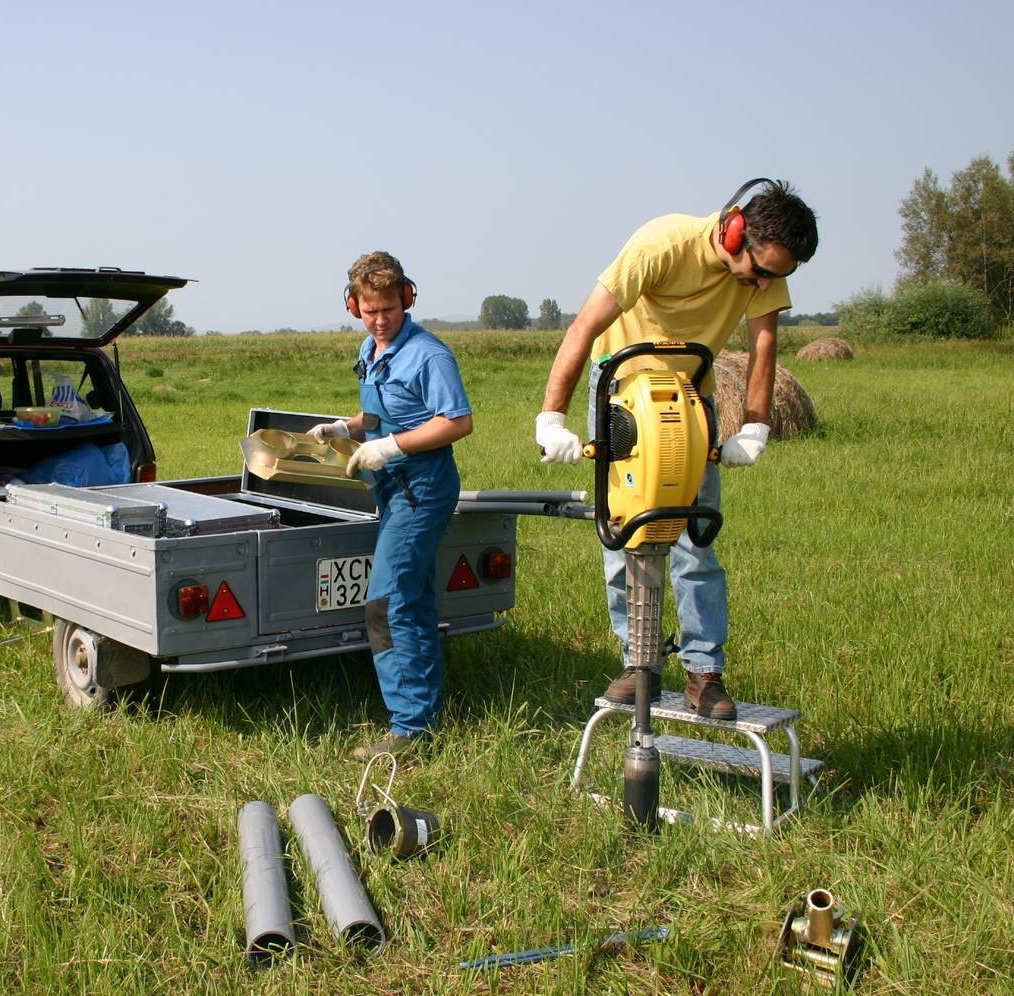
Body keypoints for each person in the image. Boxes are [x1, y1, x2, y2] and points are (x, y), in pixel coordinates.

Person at [534, 179, 819, 720]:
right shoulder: (661, 245)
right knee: (624, 533)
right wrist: (551, 418)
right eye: (760, 271)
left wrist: (755, 426)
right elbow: (585, 325)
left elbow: (763, 345)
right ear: (735, 231)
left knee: (696, 535)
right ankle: (638, 662)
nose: (764, 283)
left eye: (777, 276)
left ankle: (704, 672)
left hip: (691, 399)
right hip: (623, 395)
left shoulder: (767, 273)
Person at [308, 251, 474, 760]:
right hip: (393, 488)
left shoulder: (430, 355)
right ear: (354, 305)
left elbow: (457, 421)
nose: (380, 320)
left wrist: (394, 447)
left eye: (389, 309)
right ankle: (424, 717)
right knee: (414, 601)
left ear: (407, 298)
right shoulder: (372, 347)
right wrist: (346, 428)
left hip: (421, 488)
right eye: (370, 310)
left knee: (385, 603)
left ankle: (407, 729)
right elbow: (381, 412)